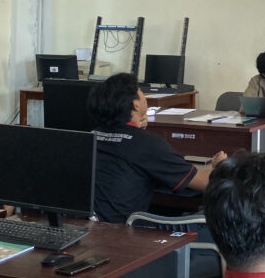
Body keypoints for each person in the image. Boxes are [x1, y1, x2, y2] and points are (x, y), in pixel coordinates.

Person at [88, 72, 226, 223]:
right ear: (135, 105)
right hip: (118, 231)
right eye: (141, 91)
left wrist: (138, 130)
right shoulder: (146, 143)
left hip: (85, 225)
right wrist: (219, 167)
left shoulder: (91, 135)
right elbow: (206, 183)